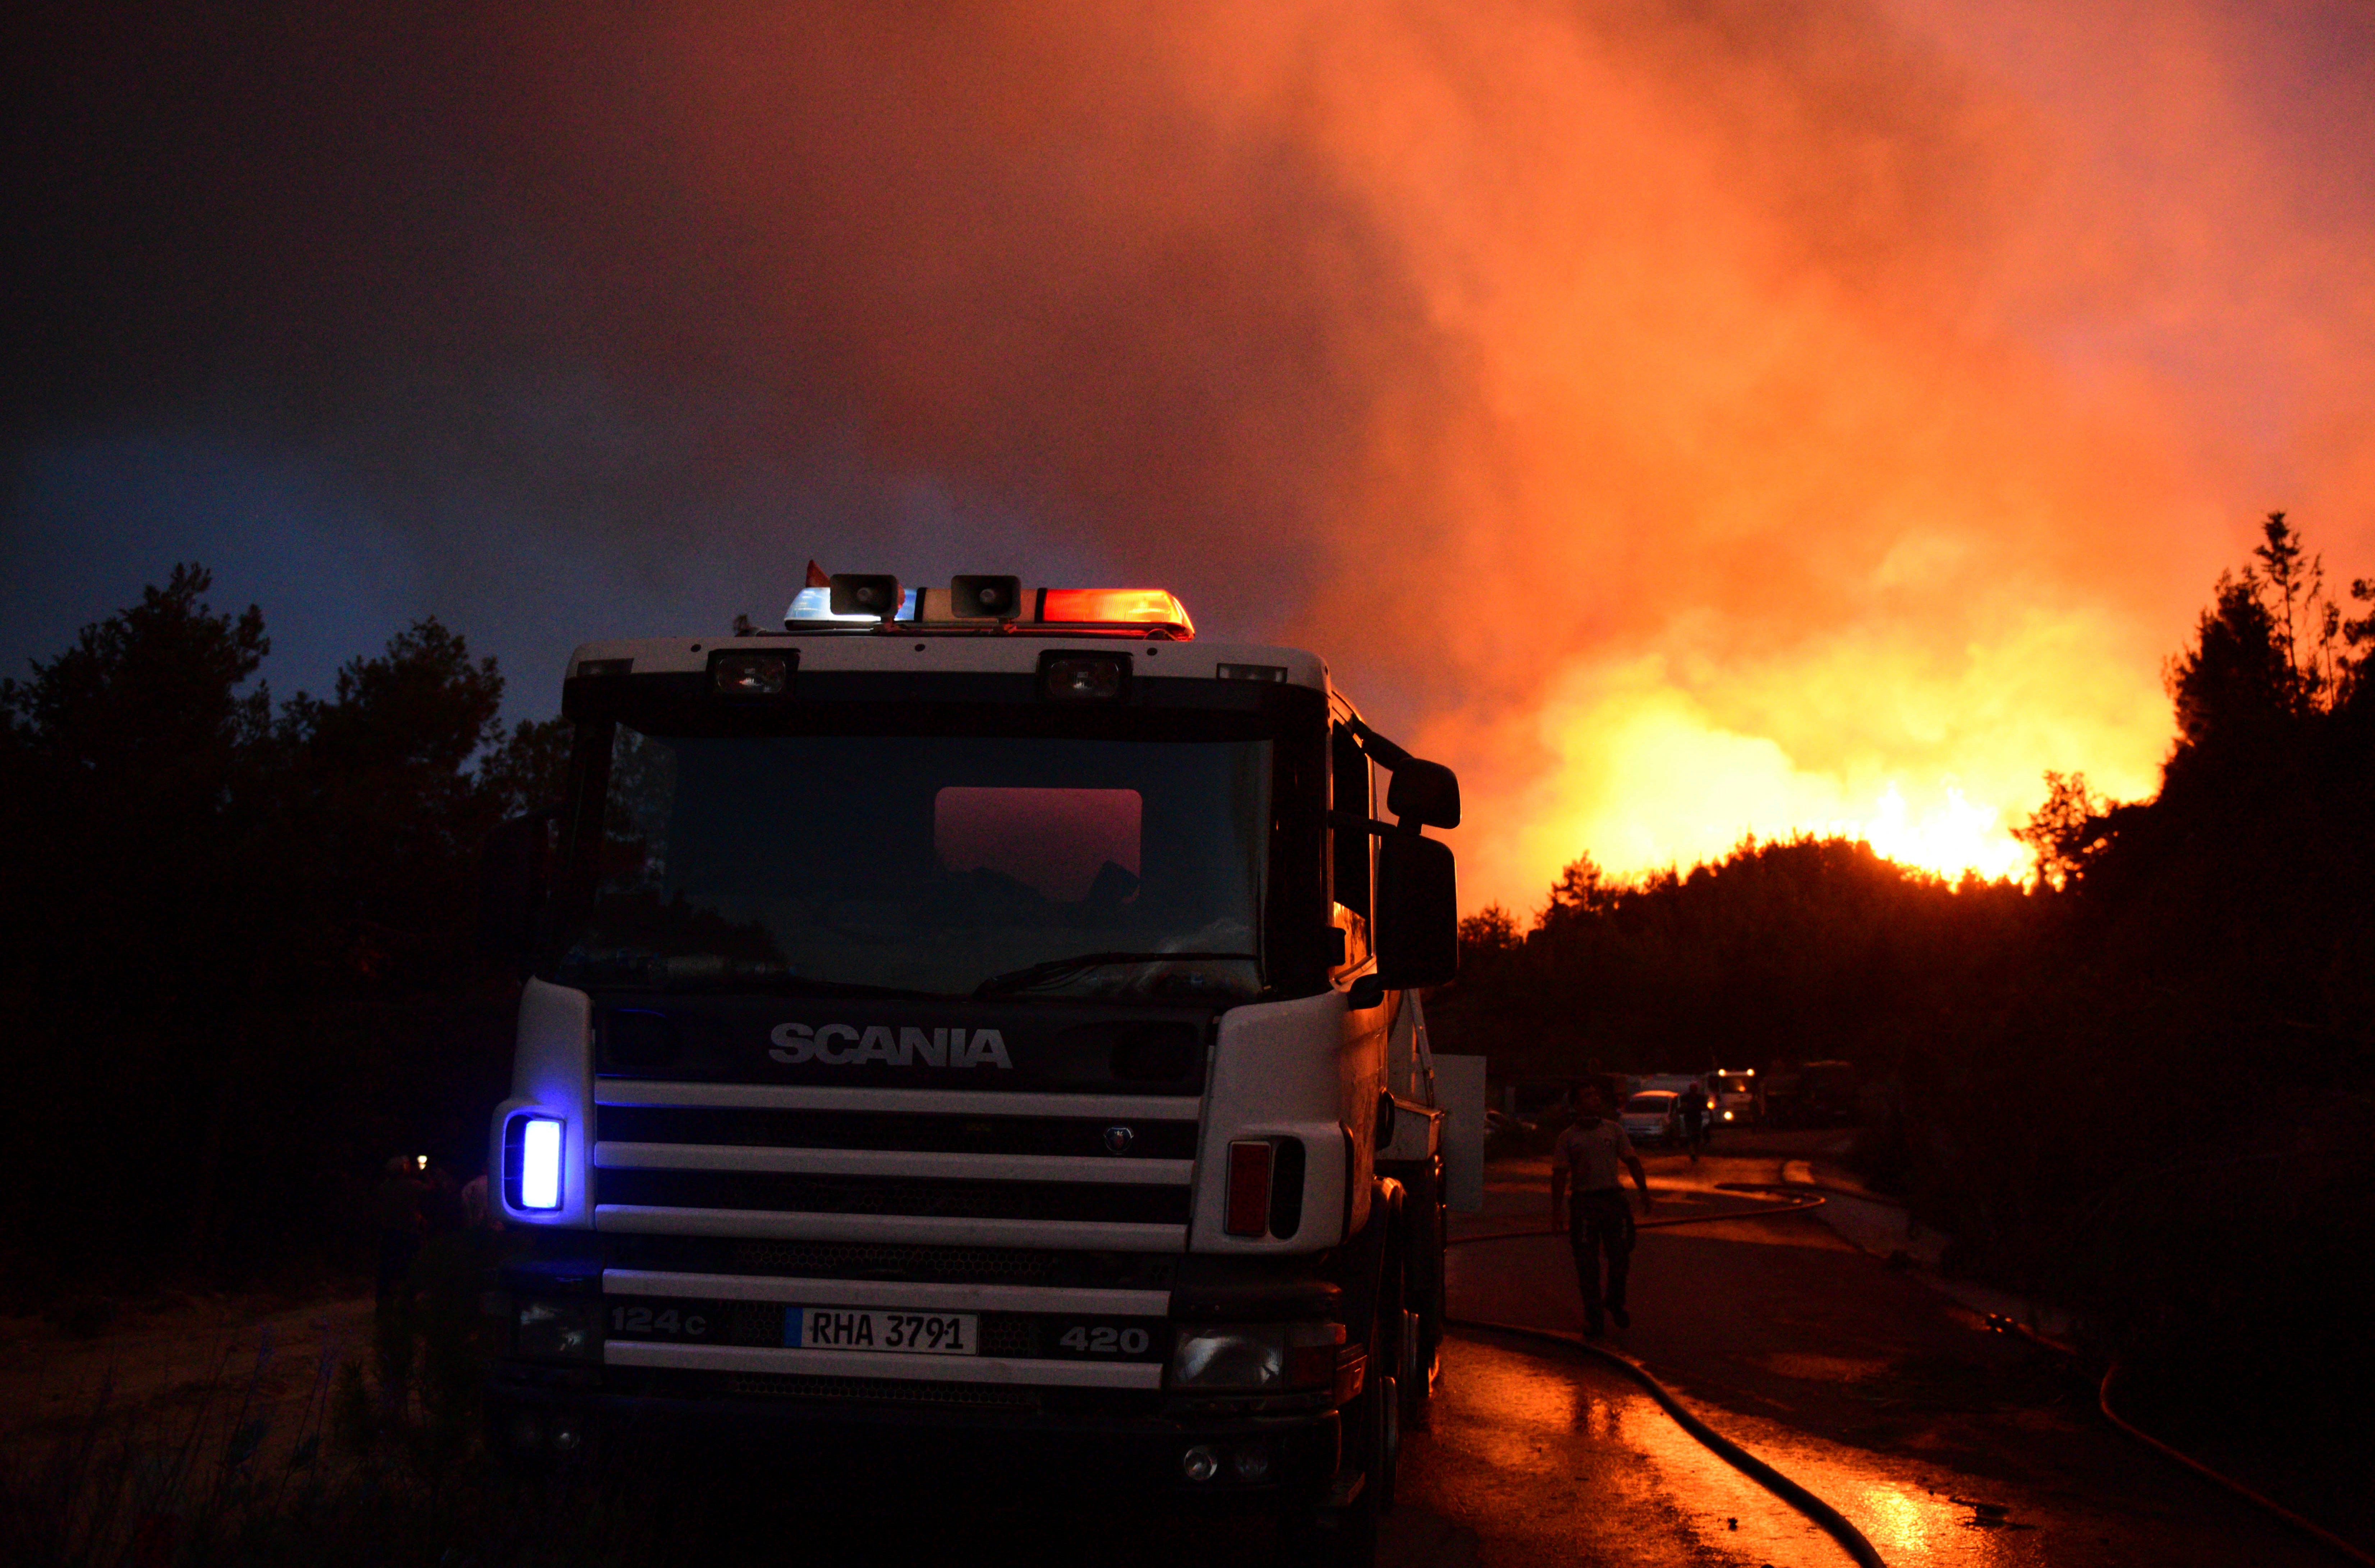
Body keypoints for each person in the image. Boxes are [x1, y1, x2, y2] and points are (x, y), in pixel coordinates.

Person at [1549, 1078, 1653, 1335]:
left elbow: (1632, 1161)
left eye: (1596, 1095)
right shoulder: (1568, 1138)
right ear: (1576, 1104)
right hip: (1585, 1203)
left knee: (1621, 1256)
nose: (1594, 1099)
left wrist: (1644, 1191)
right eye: (1587, 1095)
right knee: (1587, 1264)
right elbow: (1560, 1175)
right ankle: (1594, 1318)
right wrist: (1557, 1211)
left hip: (1612, 1200)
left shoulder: (1614, 1130)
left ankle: (1615, 1302)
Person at [1678, 1080, 1710, 1163]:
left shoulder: (1696, 1098)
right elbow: (1682, 1108)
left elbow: (1704, 1107)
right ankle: (1694, 1154)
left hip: (1695, 1118)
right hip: (1692, 1119)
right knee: (1693, 1137)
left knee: (1695, 1138)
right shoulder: (1689, 1098)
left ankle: (1694, 1153)